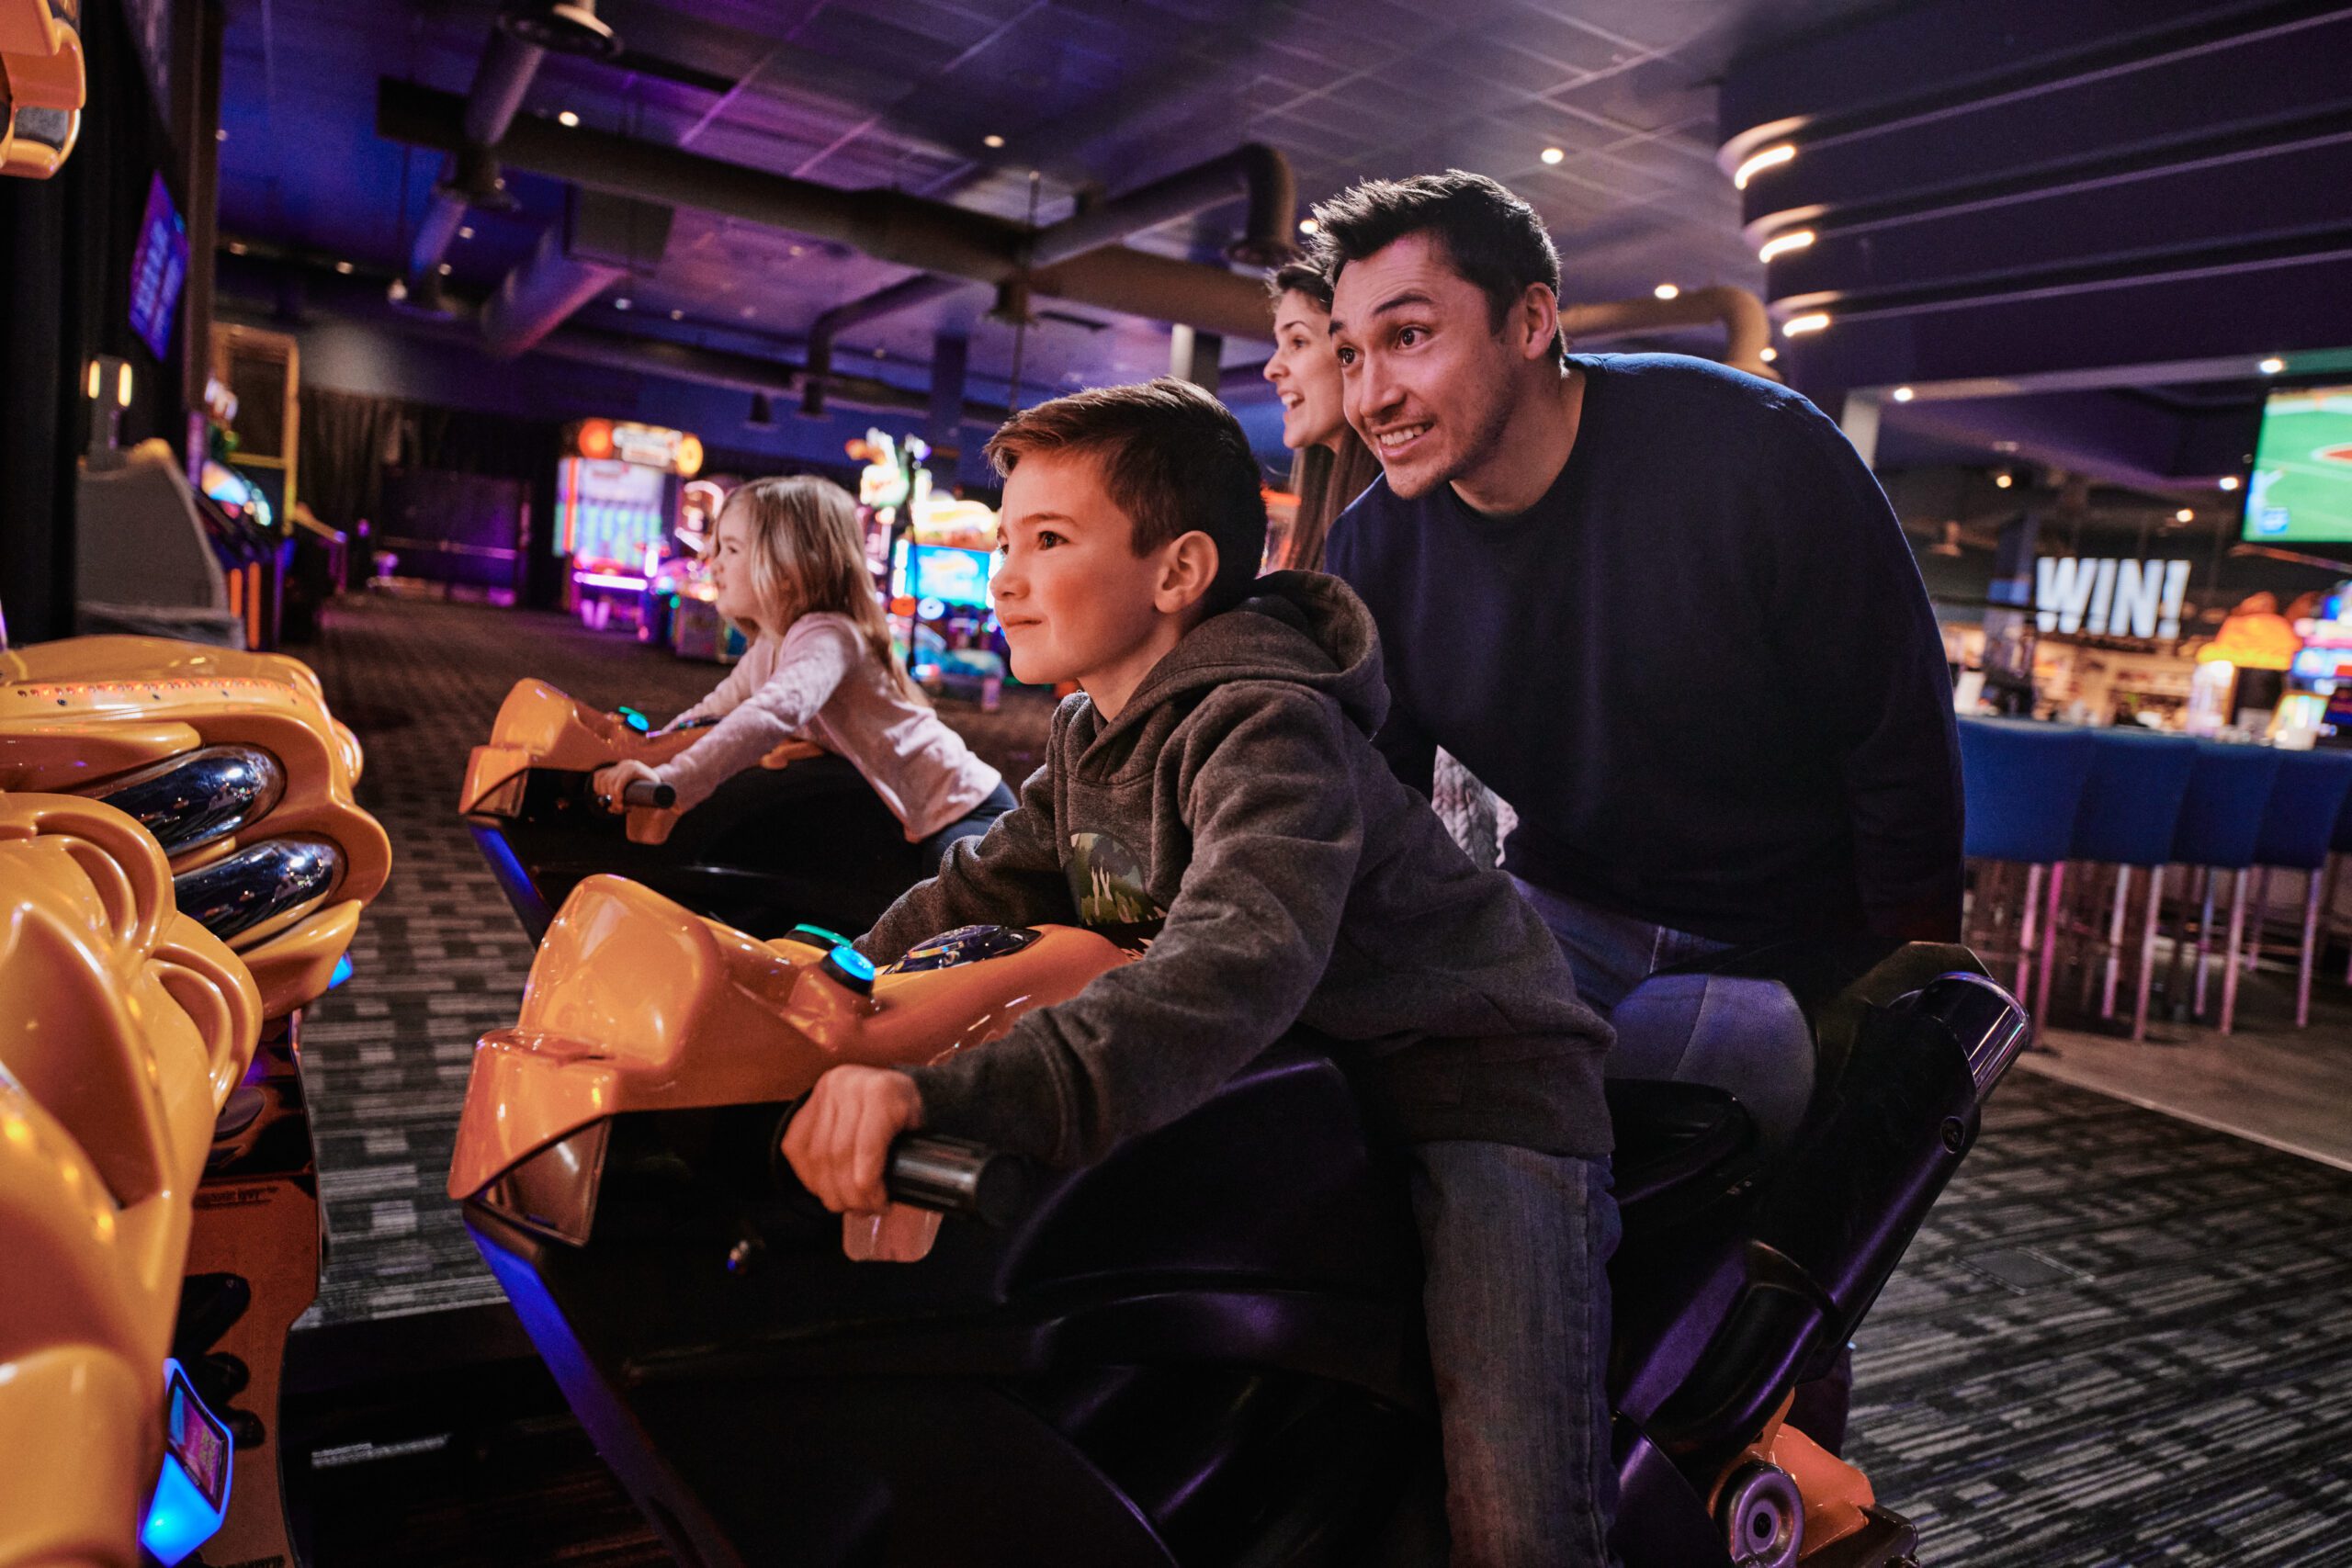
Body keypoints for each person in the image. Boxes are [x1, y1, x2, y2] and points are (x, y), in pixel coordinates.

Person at [782, 378, 1622, 1567]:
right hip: (1316, 1093)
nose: (1005, 575)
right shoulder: (1091, 733)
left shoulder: (1268, 724)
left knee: (1514, 1515)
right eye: (1006, 539)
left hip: (1480, 1091)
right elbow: (972, 895)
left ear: (1176, 572)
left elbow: (1234, 961)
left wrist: (947, 1094)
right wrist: (811, 990)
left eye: (1050, 541)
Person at [1315, 172, 1964, 1012]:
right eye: (1348, 354)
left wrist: (1908, 1003)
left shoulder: (1759, 455)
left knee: (1747, 1126)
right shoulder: (1373, 545)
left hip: (1789, 930)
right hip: (1564, 909)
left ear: (1531, 320)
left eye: (1408, 335)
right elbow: (1377, 802)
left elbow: (1900, 751)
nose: (1370, 396)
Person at [591, 474, 1012, 866]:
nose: (712, 562)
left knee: (941, 903)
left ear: (792, 567)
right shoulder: (770, 647)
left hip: (969, 809)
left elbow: (770, 715)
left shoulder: (828, 635)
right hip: (919, 815)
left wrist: (671, 780)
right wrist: (645, 754)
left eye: (731, 549)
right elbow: (711, 715)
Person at [1263, 257, 1385, 572]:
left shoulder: (1396, 525)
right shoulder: (1340, 525)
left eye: (1298, 342)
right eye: (1278, 345)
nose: (1271, 369)